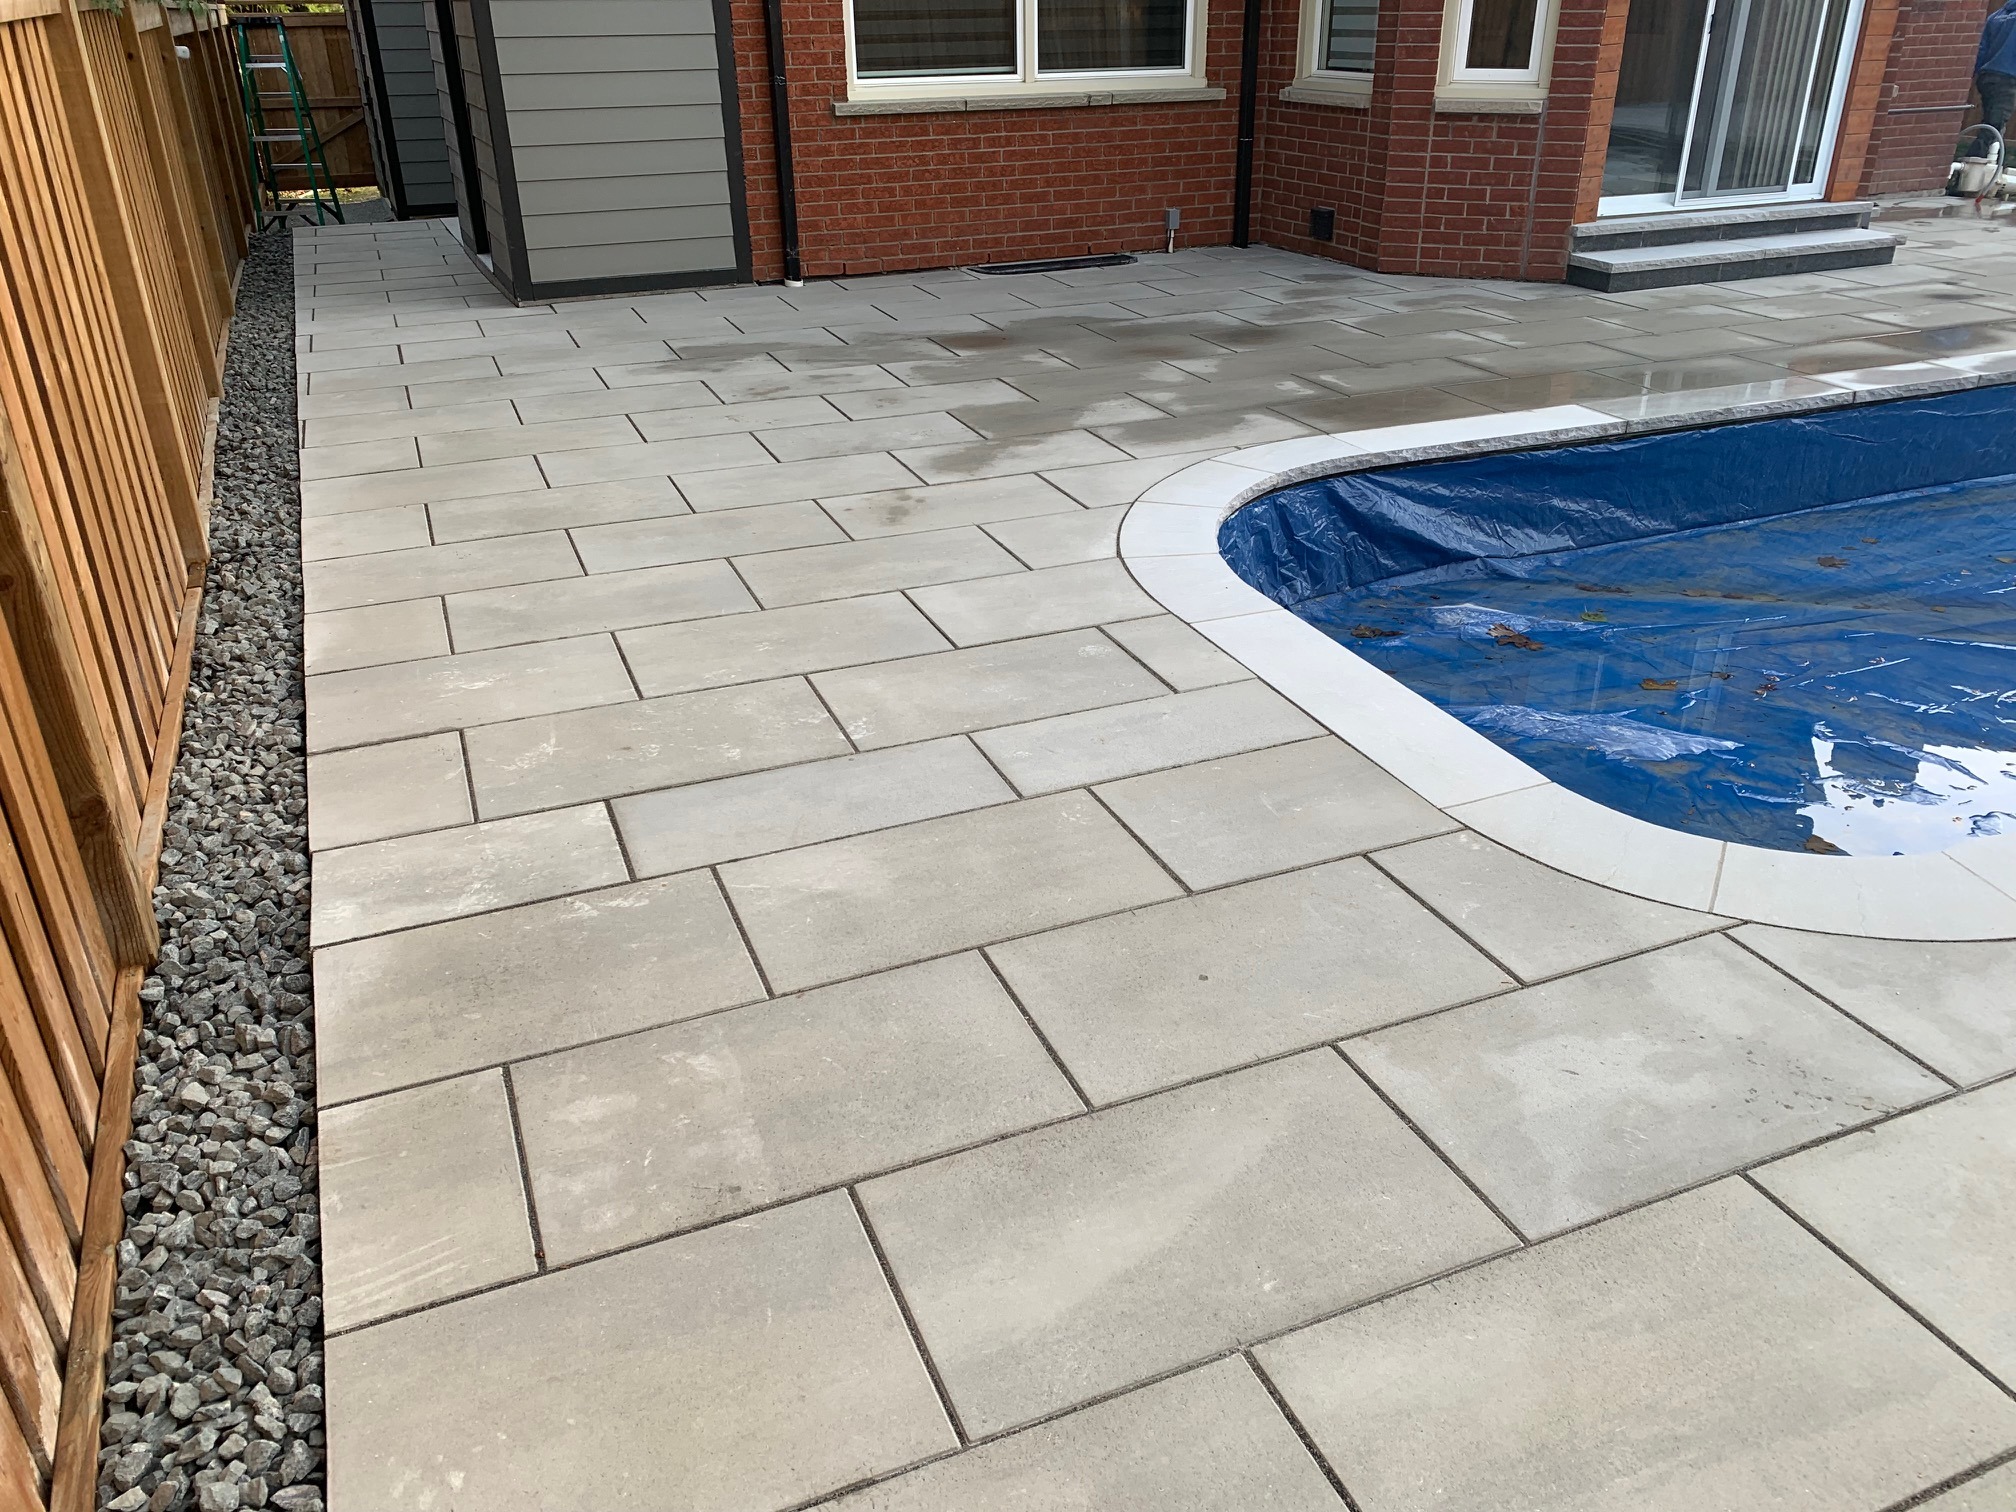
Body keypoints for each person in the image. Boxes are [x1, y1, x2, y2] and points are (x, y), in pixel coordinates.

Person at [1971, 0, 2016, 157]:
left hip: (1987, 76)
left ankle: (1985, 165)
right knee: (1993, 129)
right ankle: (1974, 169)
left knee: (1989, 123)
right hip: (2007, 78)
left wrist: (1978, 73)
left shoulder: (1996, 16)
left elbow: (1982, 50)